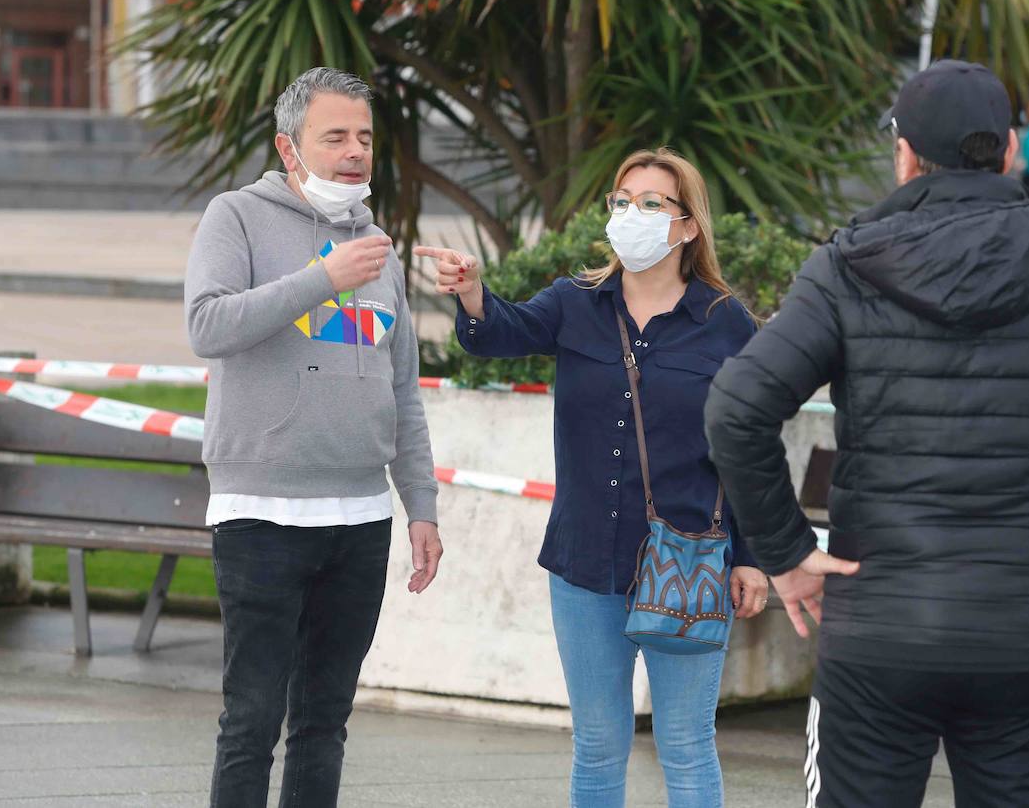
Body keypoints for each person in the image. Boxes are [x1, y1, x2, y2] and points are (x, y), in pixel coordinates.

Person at [704, 60, 1029, 808]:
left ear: (906, 156)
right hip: (1024, 634)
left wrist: (789, 554)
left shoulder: (845, 270)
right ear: (1012, 150)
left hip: (882, 634)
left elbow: (736, 407)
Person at [415, 148, 770, 808]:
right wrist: (471, 294)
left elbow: (747, 450)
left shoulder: (727, 324)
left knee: (687, 746)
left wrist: (748, 558)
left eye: (652, 203)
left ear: (689, 226)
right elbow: (497, 332)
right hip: (585, 564)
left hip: (688, 562)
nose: (631, 214)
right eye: (621, 200)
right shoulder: (575, 303)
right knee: (598, 745)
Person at [185, 67, 443, 807]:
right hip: (262, 513)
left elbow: (402, 391)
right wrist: (322, 277)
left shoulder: (379, 249)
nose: (355, 151)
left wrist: (419, 506)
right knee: (252, 720)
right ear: (289, 147)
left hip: (360, 519)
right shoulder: (234, 217)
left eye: (364, 137)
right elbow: (208, 325)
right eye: (336, 136)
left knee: (324, 723)